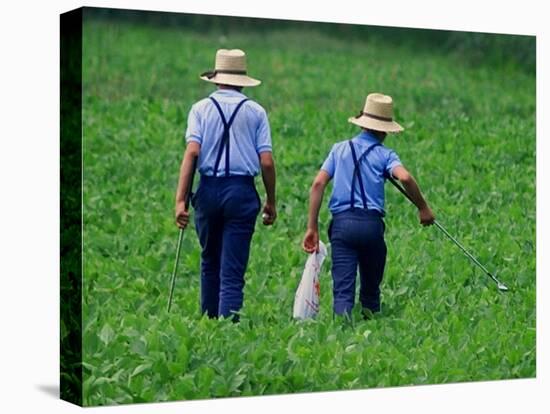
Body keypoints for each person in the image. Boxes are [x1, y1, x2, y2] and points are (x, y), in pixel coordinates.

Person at [302, 93, 435, 319]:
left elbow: (318, 184)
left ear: (362, 123)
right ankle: (371, 326)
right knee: (371, 290)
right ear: (384, 130)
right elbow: (405, 178)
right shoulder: (385, 154)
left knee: (343, 290)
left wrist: (312, 227)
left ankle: (341, 336)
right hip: (371, 226)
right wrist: (423, 208)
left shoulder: (339, 149)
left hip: (342, 226)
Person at [175, 49, 277, 322]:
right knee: (232, 272)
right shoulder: (256, 112)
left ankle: (209, 325)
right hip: (241, 192)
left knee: (210, 261)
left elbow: (192, 153)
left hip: (208, 191)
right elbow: (266, 162)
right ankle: (227, 332)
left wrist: (180, 201)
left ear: (217, 79)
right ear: (242, 81)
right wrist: (270, 200)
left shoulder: (200, 109)